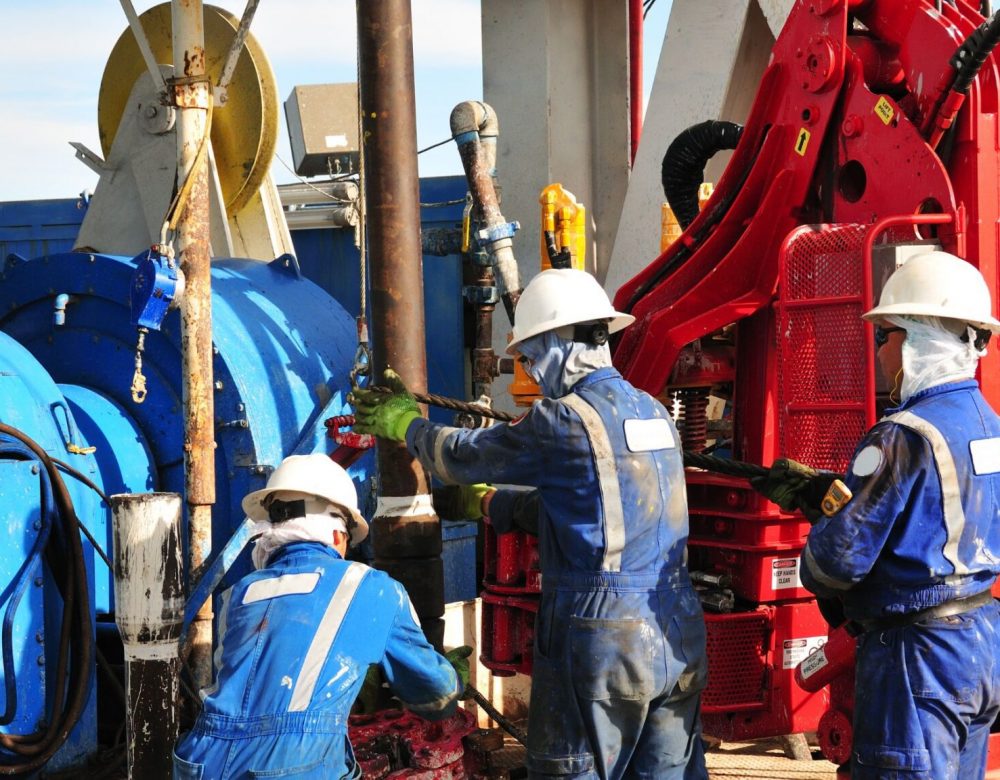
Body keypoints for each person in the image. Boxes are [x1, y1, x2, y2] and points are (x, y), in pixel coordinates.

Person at [351, 268, 709, 780]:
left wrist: (405, 423)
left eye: (533, 355)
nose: (533, 372)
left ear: (562, 342)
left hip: (603, 636)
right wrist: (492, 505)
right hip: (676, 627)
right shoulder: (653, 412)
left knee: (570, 769)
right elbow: (592, 509)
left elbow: (459, 457)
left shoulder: (564, 419)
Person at [755, 251, 1000, 778]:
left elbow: (834, 563)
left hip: (916, 657)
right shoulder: (990, 426)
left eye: (886, 334)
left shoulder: (898, 437)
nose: (881, 349)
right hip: (980, 642)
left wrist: (829, 513)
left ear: (919, 340)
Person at [172, 454, 468, 780]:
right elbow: (434, 694)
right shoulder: (370, 586)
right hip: (291, 763)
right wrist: (452, 680)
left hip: (200, 760)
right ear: (339, 535)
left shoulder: (237, 594)